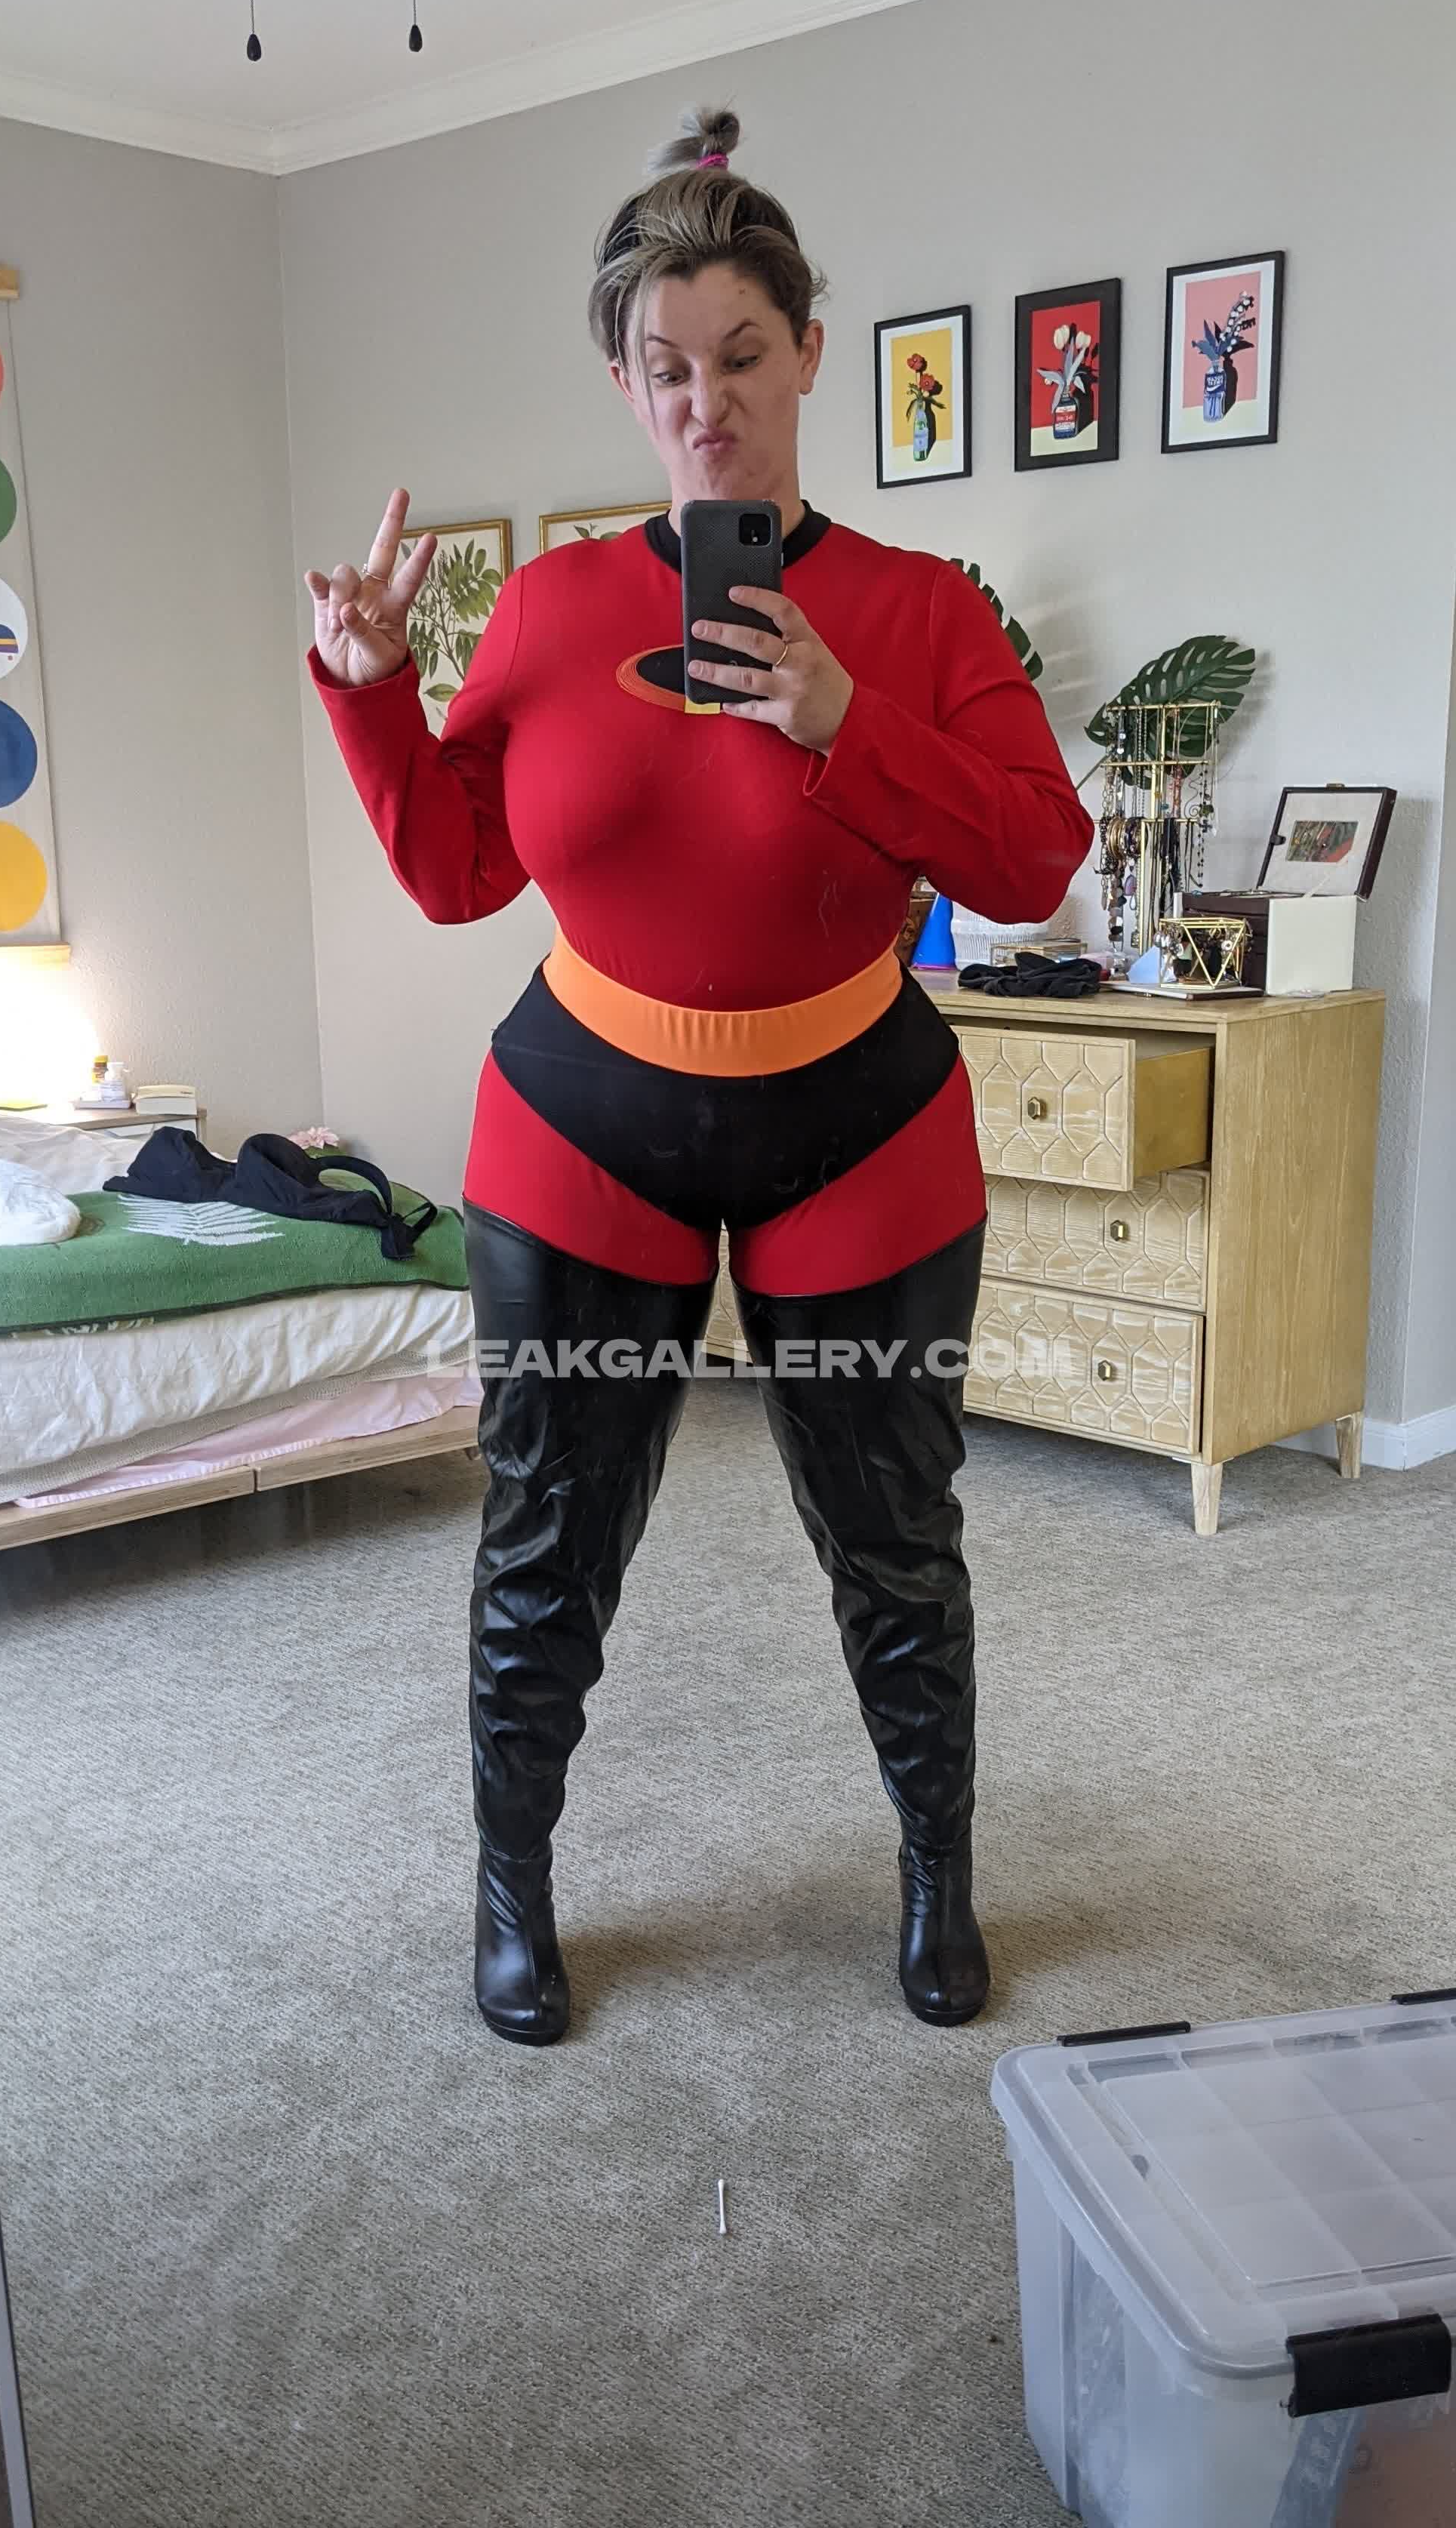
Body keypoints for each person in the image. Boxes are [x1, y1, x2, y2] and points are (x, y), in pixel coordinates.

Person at [304, 103, 1093, 2049]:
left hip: (860, 1133)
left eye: (742, 355)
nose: (705, 403)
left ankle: (939, 1872)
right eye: (666, 368)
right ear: (625, 382)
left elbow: (1032, 860)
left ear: (810, 352)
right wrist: (373, 690)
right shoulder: (558, 609)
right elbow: (456, 873)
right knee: (548, 1542)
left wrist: (842, 716)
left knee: (895, 1542)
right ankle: (512, 1891)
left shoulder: (919, 611)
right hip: (587, 1131)